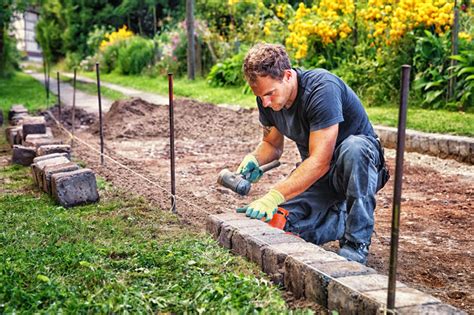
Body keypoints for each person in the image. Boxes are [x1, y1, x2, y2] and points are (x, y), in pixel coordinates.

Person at [236, 43, 389, 264]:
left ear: (287, 76)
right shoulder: (267, 100)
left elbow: (320, 160)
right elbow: (272, 144)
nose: (265, 102)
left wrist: (273, 195)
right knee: (275, 223)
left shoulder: (321, 89)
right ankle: (340, 219)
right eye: (260, 97)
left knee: (354, 148)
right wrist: (254, 159)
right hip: (319, 177)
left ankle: (356, 242)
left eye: (269, 94)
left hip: (357, 170)